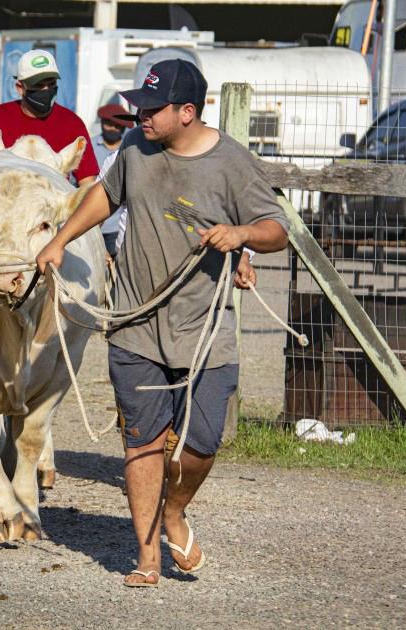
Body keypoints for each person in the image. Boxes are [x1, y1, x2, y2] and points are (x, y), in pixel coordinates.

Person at [35, 59, 289, 587]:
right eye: (140, 106)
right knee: (142, 442)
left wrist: (240, 235)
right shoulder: (133, 147)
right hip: (134, 321)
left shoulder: (232, 164)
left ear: (188, 112)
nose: (140, 116)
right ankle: (147, 555)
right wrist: (59, 240)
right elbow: (106, 195)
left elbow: (276, 230)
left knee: (201, 444)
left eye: (152, 109)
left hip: (203, 328)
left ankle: (174, 510)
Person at [0, 49, 100, 185]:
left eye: (51, 84)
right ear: (20, 88)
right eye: (39, 86)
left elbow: (87, 183)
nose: (46, 91)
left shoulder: (71, 123)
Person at [91, 104, 134, 257]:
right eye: (108, 123)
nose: (112, 128)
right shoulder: (90, 147)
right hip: (91, 224)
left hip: (117, 227)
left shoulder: (130, 149)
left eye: (117, 125)